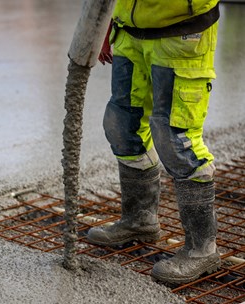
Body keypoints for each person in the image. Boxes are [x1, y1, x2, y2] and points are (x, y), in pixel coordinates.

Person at [86, 0, 221, 284]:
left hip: (181, 31)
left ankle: (202, 249)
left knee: (175, 139)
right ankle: (140, 220)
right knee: (123, 126)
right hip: (130, 28)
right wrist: (105, 19)